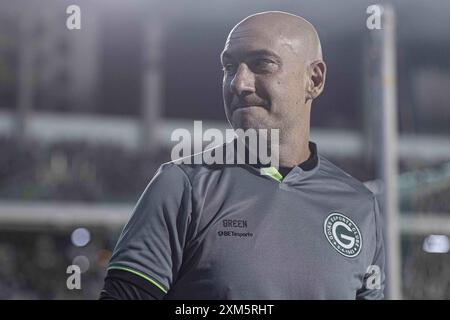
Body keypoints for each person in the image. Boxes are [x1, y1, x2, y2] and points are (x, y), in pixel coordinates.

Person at [100, 11, 385, 300]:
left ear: (314, 79)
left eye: (262, 64)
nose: (239, 83)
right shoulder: (182, 186)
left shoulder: (360, 206)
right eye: (229, 67)